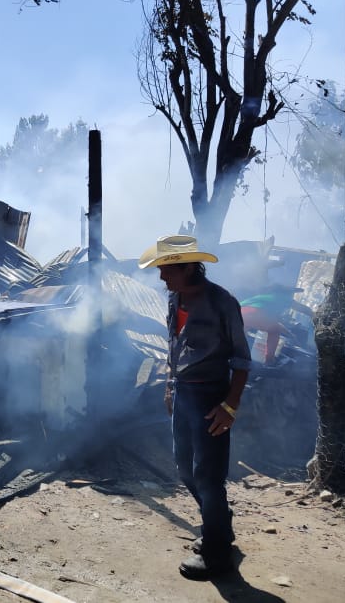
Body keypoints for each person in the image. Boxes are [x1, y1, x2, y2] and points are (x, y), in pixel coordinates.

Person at [138, 234, 250, 580]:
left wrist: (229, 407)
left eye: (167, 271)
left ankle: (218, 556)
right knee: (185, 469)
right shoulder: (175, 298)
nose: (161, 278)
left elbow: (242, 360)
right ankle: (220, 528)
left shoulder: (222, 302)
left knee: (208, 475)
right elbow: (175, 349)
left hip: (211, 398)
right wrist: (171, 387)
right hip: (183, 395)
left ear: (188, 267)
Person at [239, 285, 315, 363]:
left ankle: (237, 354)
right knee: (274, 332)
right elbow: (303, 309)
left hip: (238, 312)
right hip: (254, 312)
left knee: (242, 334)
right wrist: (315, 315)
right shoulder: (282, 298)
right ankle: (269, 360)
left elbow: (272, 323)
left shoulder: (263, 298)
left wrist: (290, 334)